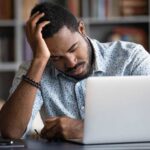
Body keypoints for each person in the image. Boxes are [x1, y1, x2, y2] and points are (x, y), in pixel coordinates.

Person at [0, 2, 150, 140]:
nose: (71, 62)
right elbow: (10, 132)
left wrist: (85, 129)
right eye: (57, 57)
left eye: (73, 48)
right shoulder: (34, 69)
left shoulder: (131, 57)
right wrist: (39, 60)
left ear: (81, 29)